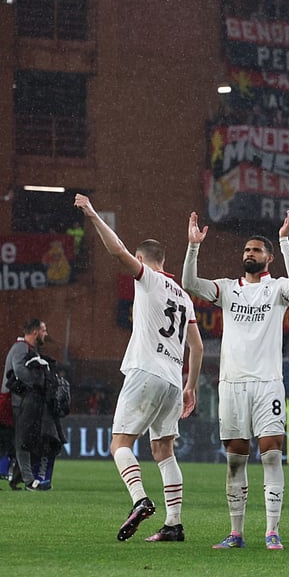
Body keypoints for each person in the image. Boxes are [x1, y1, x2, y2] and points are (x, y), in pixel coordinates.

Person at [75, 195, 204, 542]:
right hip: (174, 380)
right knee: (164, 451)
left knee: (119, 444)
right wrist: (191, 386)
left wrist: (92, 215)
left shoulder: (148, 279)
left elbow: (117, 251)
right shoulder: (184, 296)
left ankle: (140, 499)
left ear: (143, 258)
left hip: (146, 371)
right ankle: (174, 524)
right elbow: (197, 347)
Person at [184, 210, 289, 550]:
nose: (249, 254)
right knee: (235, 459)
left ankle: (272, 531)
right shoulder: (227, 289)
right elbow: (190, 283)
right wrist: (193, 247)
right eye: (246, 250)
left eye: (256, 250)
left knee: (271, 455)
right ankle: (236, 533)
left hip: (268, 383)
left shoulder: (276, 289)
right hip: (232, 384)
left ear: (268, 257)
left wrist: (284, 240)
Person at [4, 319, 52, 490]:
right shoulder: (21, 348)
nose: (46, 334)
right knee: (22, 441)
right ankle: (28, 481)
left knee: (15, 441)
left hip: (18, 401)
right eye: (44, 330)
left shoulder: (27, 349)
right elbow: (19, 371)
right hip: (16, 402)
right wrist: (37, 384)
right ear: (35, 332)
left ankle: (20, 479)